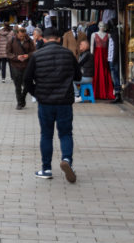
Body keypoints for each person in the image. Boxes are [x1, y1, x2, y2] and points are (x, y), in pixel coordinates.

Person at [23, 27, 81, 183]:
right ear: (59, 39)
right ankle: (67, 160)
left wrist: (37, 93)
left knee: (46, 135)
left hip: (46, 102)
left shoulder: (37, 55)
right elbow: (78, 76)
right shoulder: (68, 54)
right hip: (64, 102)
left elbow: (27, 79)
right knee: (66, 133)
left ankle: (46, 169)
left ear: (43, 39)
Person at [6, 26, 35, 110]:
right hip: (15, 65)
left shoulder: (29, 40)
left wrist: (28, 55)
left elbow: (34, 51)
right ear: (16, 34)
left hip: (26, 65)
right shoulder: (11, 40)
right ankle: (19, 103)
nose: (22, 38)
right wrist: (16, 57)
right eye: (20, 36)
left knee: (27, 84)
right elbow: (8, 53)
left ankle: (23, 97)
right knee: (17, 85)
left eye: (23, 36)